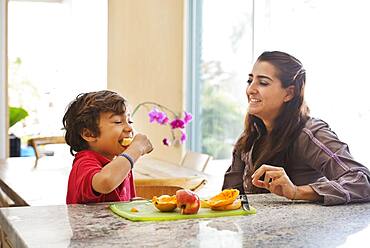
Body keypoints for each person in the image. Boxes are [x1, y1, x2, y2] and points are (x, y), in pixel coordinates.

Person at [223, 51, 370, 205]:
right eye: (250, 80)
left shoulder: (309, 134)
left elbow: (362, 181)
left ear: (289, 93)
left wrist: (296, 191)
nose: (250, 89)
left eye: (263, 83)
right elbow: (230, 195)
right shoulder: (249, 137)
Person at [63, 90, 153, 204]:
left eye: (129, 121)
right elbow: (106, 182)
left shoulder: (120, 164)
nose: (129, 128)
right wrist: (136, 149)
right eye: (118, 122)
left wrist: (131, 203)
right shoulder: (84, 163)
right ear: (89, 134)